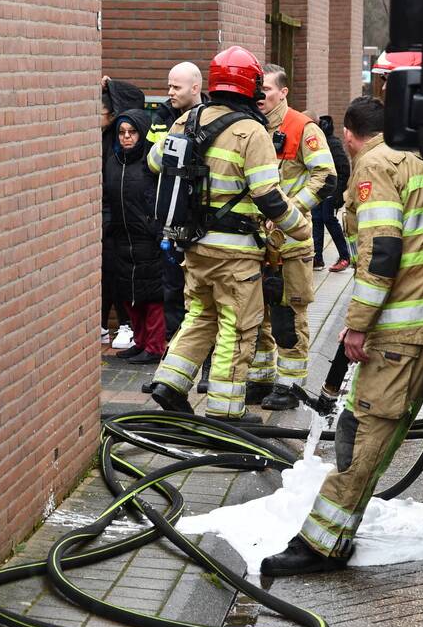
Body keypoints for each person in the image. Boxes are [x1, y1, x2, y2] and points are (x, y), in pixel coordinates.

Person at [261, 96, 423, 575]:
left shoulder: (375, 165)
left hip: (398, 329)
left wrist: (357, 324)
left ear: (349, 134)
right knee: (381, 434)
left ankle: (321, 544)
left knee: (362, 432)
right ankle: (333, 534)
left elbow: (382, 252)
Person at [146, 46, 311, 424]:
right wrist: (298, 227)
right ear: (250, 86)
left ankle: (168, 384)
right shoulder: (252, 131)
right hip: (235, 255)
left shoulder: (188, 119)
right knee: (236, 329)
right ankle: (225, 413)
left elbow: (156, 161)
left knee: (200, 316)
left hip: (194, 247)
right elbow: (268, 195)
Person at [245, 64, 337, 411]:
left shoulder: (302, 127)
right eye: (258, 90)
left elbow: (325, 176)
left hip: (291, 244)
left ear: (283, 91)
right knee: (258, 314)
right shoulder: (251, 127)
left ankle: (291, 386)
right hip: (256, 242)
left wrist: (291, 211)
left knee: (288, 315)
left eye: (267, 89)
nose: (261, 96)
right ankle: (261, 379)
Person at [146, 62, 213, 392]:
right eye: (169, 86)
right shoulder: (166, 119)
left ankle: (208, 371)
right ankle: (171, 372)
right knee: (172, 295)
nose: (170, 92)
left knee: (201, 302)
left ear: (196, 87)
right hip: (172, 223)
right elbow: (153, 162)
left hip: (200, 226)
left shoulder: (209, 121)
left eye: (176, 87)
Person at [103, 109, 166, 364]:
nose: (125, 138)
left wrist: (155, 227)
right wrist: (108, 224)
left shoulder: (148, 163)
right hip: (121, 236)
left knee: (152, 296)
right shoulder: (113, 161)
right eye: (121, 133)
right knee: (131, 294)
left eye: (131, 133)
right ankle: (140, 342)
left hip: (147, 237)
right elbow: (107, 196)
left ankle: (154, 346)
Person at [100, 76, 146, 350]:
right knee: (107, 271)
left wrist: (110, 84)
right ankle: (104, 324)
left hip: (125, 218)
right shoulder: (104, 138)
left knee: (121, 271)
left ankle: (128, 325)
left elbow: (134, 95)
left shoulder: (117, 141)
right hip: (109, 217)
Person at [310, 113, 352, 273]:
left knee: (329, 219)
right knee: (317, 220)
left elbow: (344, 169)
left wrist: (337, 194)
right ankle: (317, 258)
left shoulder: (332, 143)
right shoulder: (317, 141)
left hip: (329, 192)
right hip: (317, 191)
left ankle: (345, 256)